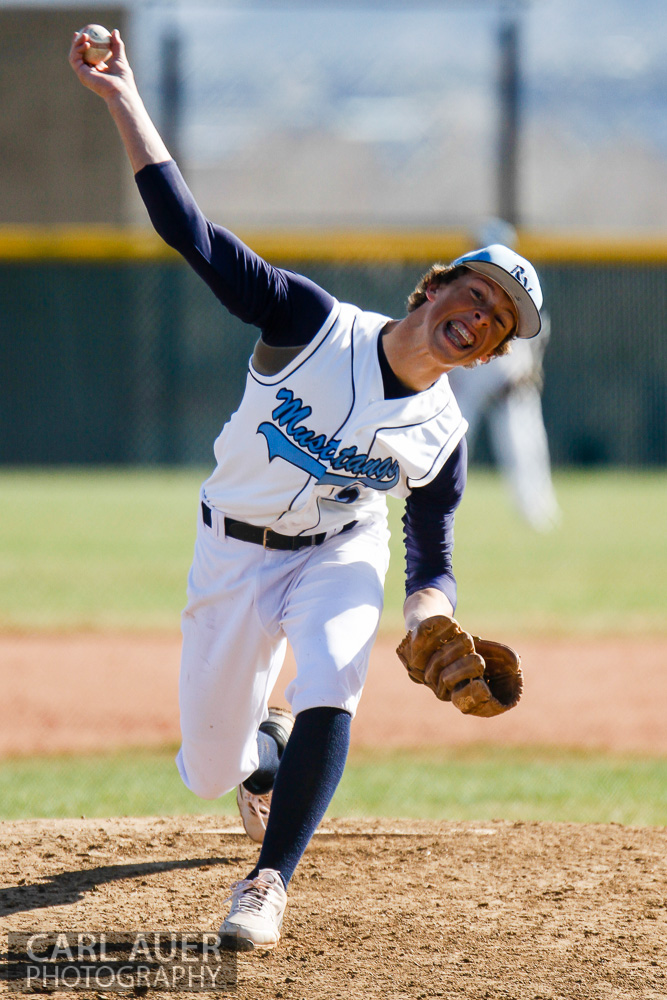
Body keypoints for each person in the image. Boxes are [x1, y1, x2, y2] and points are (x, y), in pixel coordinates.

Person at [69, 29, 544, 952]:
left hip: (340, 549)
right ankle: (264, 755)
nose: (479, 318)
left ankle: (267, 883)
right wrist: (122, 94)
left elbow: (430, 542)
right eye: (475, 293)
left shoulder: (443, 432)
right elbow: (190, 235)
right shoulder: (309, 322)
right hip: (232, 550)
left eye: (496, 324)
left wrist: (428, 612)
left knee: (336, 669)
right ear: (434, 287)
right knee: (210, 767)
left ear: (488, 353)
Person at [447, 219, 561, 532]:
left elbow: (535, 336)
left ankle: (538, 513)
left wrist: (529, 371)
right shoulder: (467, 284)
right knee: (446, 446)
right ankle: (434, 507)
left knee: (526, 450)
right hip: (470, 381)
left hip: (511, 386)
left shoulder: (523, 284)